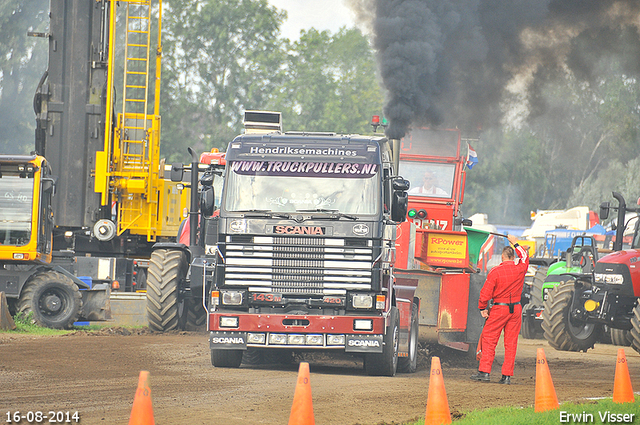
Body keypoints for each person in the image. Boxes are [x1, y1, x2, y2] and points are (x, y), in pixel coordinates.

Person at [471, 234, 529, 384]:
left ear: (503, 256)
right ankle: (506, 376)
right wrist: (516, 243)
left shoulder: (495, 272)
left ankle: (484, 372)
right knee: (511, 343)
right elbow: (524, 257)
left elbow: (485, 294)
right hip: (515, 309)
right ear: (512, 256)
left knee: (489, 339)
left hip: (499, 309)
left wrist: (482, 308)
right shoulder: (520, 268)